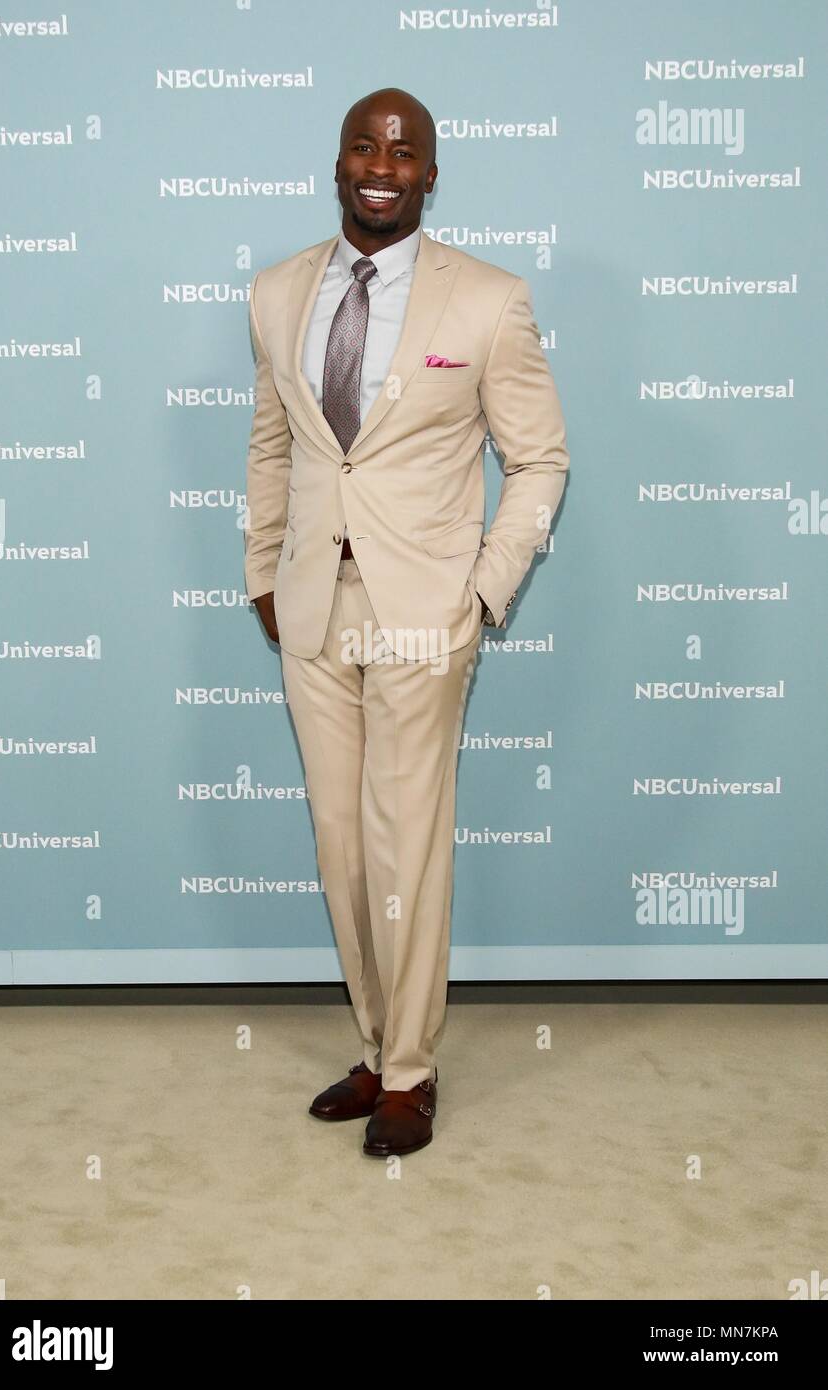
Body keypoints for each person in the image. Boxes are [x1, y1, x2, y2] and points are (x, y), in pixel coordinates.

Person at [243, 86, 569, 1158]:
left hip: (425, 611)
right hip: (309, 606)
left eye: (404, 151)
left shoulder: (486, 300)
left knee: (405, 844)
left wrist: (483, 588)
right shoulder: (277, 291)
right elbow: (275, 446)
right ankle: (378, 1044)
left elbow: (538, 459)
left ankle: (413, 1073)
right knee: (340, 842)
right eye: (363, 145)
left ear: (430, 174)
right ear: (336, 162)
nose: (381, 164)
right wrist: (260, 571)